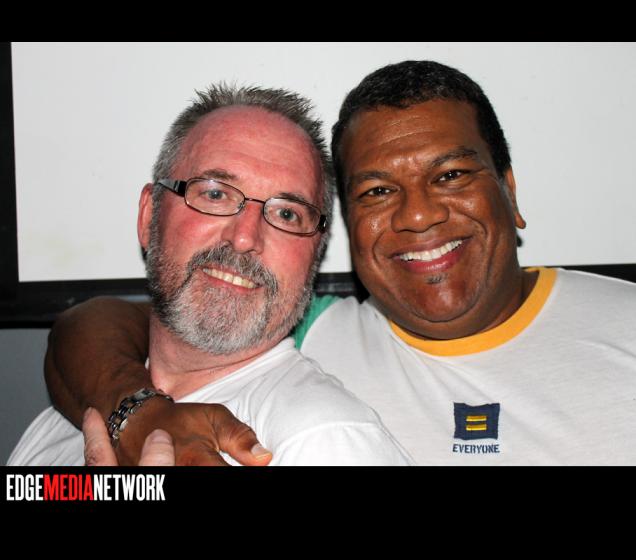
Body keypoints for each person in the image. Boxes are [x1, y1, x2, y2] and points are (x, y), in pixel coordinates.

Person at [39, 61, 636, 466]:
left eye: (451, 175)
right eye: (377, 191)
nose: (418, 215)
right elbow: (99, 323)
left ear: (510, 190)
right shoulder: (317, 328)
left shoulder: (625, 327)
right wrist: (138, 413)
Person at [7, 84, 414, 466]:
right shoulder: (61, 421)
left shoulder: (324, 439)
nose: (245, 237)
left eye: (287, 214)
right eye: (215, 194)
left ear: (315, 255)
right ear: (149, 217)